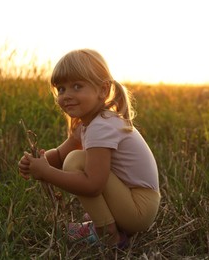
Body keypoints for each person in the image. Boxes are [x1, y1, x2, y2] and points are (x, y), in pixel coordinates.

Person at [18, 49, 160, 248]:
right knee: (74, 157)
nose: (66, 95)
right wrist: (37, 163)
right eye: (61, 89)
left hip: (138, 209)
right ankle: (107, 223)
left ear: (102, 90)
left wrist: (47, 172)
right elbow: (60, 154)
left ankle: (108, 234)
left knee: (76, 161)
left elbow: (93, 185)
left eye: (77, 86)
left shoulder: (101, 126)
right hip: (136, 203)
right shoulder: (92, 123)